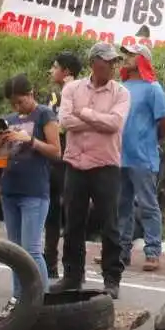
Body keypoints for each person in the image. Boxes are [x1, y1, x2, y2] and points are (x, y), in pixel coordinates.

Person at [53, 41, 131, 299]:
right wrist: (97, 119)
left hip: (105, 164)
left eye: (113, 62)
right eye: (106, 61)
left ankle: (112, 278)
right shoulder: (72, 88)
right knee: (73, 222)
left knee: (109, 223)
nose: (111, 66)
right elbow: (65, 121)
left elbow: (114, 124)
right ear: (93, 63)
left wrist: (84, 113)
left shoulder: (121, 93)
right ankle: (72, 275)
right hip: (75, 163)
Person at [0, 73, 61, 320]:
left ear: (31, 94)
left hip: (35, 191)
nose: (17, 108)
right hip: (10, 190)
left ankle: (43, 301)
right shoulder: (9, 120)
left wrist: (29, 139)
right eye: (13, 104)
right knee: (14, 251)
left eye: (20, 101)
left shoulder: (44, 115)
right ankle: (18, 300)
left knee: (31, 249)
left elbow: (55, 152)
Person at [115, 44, 165, 272]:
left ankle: (152, 253)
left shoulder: (153, 88)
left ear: (142, 59)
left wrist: (153, 139)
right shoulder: (120, 87)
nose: (126, 58)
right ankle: (121, 252)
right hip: (120, 156)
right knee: (122, 206)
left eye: (131, 54)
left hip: (143, 157)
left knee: (148, 205)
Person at [43, 51, 80, 278]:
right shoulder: (85, 90)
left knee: (55, 213)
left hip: (61, 159)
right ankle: (68, 266)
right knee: (69, 213)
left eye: (55, 66)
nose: (51, 71)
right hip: (73, 157)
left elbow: (57, 126)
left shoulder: (58, 94)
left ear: (66, 71)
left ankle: (52, 263)